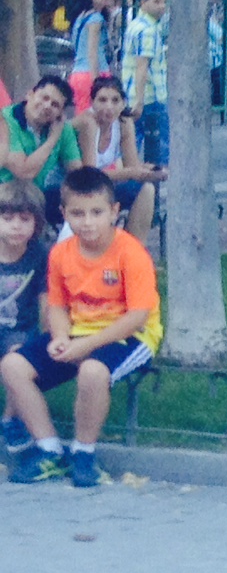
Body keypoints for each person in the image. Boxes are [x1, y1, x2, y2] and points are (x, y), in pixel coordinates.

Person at [2, 165, 160, 489]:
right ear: (64, 214)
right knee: (13, 366)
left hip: (129, 335)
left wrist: (84, 346)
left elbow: (138, 316)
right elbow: (58, 305)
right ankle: (49, 449)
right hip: (78, 330)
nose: (87, 222)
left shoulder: (130, 253)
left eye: (96, 212)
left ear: (114, 212)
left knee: (92, 371)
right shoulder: (61, 254)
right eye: (78, 213)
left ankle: (84, 452)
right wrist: (60, 337)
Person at [81, 76, 163, 239]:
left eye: (115, 100)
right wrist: (132, 172)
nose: (109, 106)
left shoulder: (124, 123)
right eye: (102, 100)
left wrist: (150, 171)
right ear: (92, 102)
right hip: (77, 189)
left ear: (123, 103)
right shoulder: (87, 123)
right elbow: (90, 176)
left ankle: (133, 248)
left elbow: (132, 166)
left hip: (101, 188)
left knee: (147, 189)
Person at [0, 185, 48, 450]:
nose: (16, 226)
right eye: (7, 219)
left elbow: (45, 298)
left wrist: (48, 336)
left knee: (19, 355)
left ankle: (11, 418)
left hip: (20, 328)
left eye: (25, 219)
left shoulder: (39, 255)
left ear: (36, 223)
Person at [3, 74, 84, 228]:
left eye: (55, 105)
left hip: (36, 197)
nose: (47, 106)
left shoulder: (63, 129)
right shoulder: (5, 121)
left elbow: (77, 174)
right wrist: (52, 139)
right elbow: (24, 173)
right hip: (6, 194)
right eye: (44, 98)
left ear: (61, 113)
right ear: (30, 94)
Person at [121, 0, 171, 166]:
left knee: (131, 147)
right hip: (150, 97)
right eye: (156, 2)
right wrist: (140, 100)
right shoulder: (148, 30)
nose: (162, 6)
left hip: (134, 95)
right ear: (143, 2)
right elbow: (142, 66)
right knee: (157, 153)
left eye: (164, 1)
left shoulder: (136, 25)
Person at [69, 0, 120, 108]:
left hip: (78, 74)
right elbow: (92, 53)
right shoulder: (96, 19)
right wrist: (96, 82)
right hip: (94, 74)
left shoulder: (81, 16)